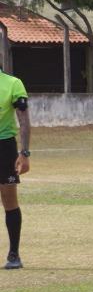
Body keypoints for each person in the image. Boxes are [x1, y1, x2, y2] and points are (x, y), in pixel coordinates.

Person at [1, 67, 31, 270]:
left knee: (9, 199)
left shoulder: (13, 83)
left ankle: (14, 254)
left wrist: (24, 152)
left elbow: (24, 120)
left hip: (4, 146)